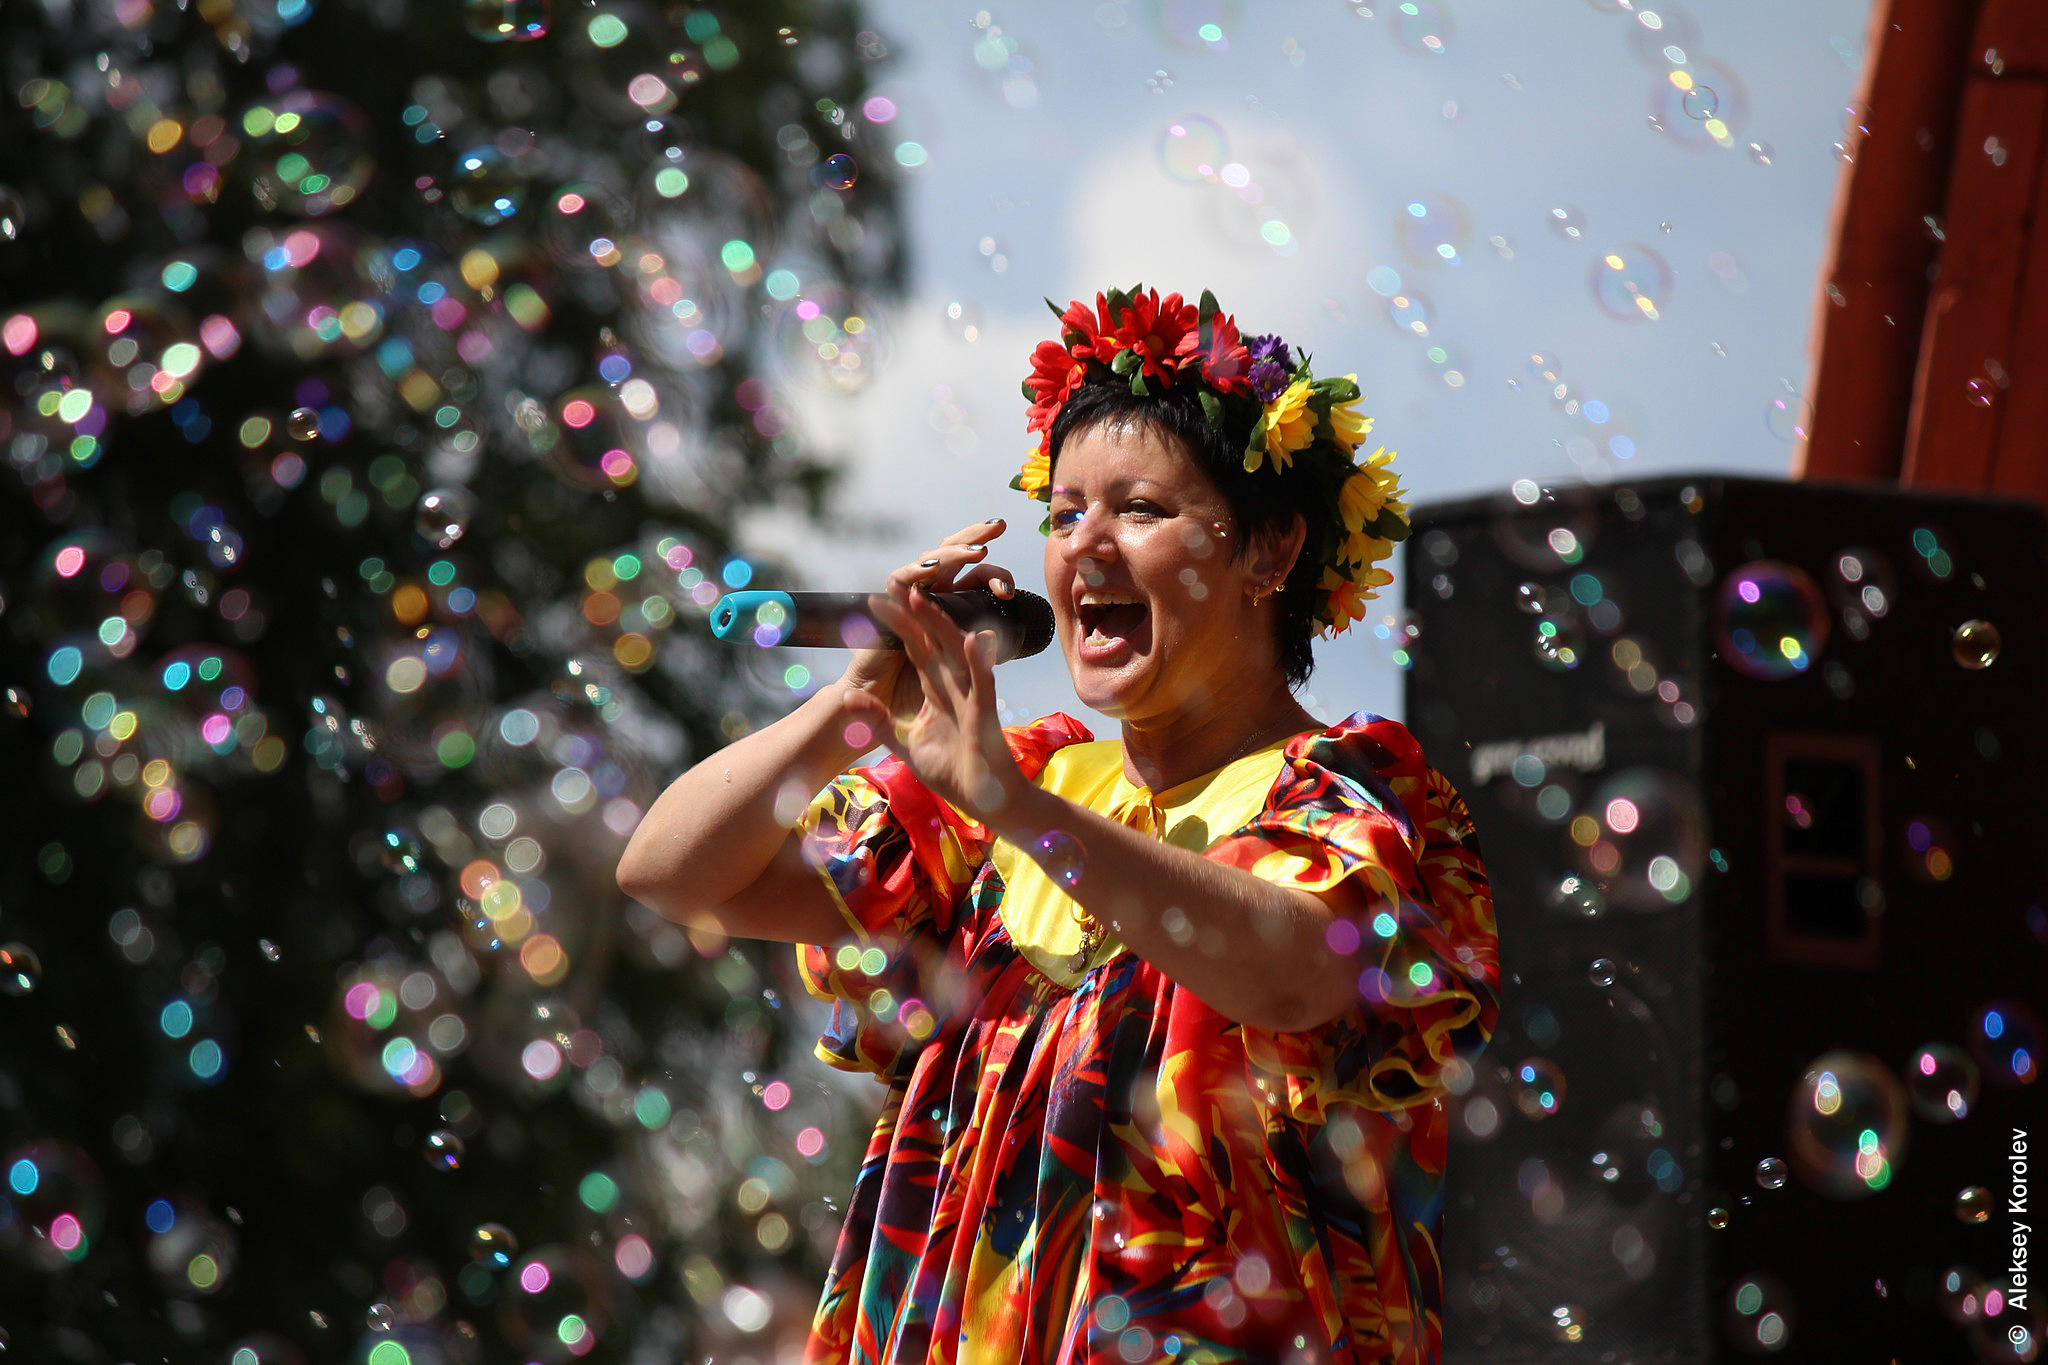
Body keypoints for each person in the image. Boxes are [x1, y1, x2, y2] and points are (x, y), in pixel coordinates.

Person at [617, 284, 1500, 1364]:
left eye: (1140, 508)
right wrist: (852, 706)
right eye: (1064, 512)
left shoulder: (1352, 791)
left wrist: (1018, 810)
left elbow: (1293, 975)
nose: (1087, 544)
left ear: (1270, 550)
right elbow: (670, 872)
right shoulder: (1012, 786)